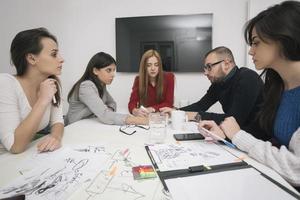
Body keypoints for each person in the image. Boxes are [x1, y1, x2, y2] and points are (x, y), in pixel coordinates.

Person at [199, 1, 300, 188]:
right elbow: (266, 133)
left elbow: (296, 170)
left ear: (283, 39)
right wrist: (224, 134)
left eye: (256, 43)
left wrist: (236, 135)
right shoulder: (277, 84)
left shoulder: (248, 78)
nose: (250, 51)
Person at [161, 46, 264, 130]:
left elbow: (233, 120)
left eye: (209, 67)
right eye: (205, 68)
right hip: (237, 135)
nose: (205, 73)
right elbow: (201, 105)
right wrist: (176, 111)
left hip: (256, 139)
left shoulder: (248, 78)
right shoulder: (218, 83)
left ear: (226, 64)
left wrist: (194, 115)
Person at [0, 28, 64, 154]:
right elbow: (15, 146)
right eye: (54, 54)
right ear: (31, 58)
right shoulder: (5, 83)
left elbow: (57, 122)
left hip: (28, 154)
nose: (61, 59)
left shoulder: (51, 83)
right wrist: (43, 100)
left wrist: (55, 137)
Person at [66, 52, 147, 125]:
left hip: (88, 124)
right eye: (108, 70)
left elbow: (112, 104)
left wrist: (105, 111)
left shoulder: (101, 85)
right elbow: (105, 115)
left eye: (113, 70)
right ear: (95, 70)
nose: (113, 74)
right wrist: (138, 120)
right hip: (75, 127)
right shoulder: (86, 86)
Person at [128, 49, 175, 117]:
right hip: (147, 116)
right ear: (144, 67)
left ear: (160, 66)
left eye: (156, 65)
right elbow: (132, 102)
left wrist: (152, 109)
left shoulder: (170, 77)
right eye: (149, 65)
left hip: (163, 116)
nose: (153, 68)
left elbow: (168, 103)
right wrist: (135, 111)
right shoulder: (138, 79)